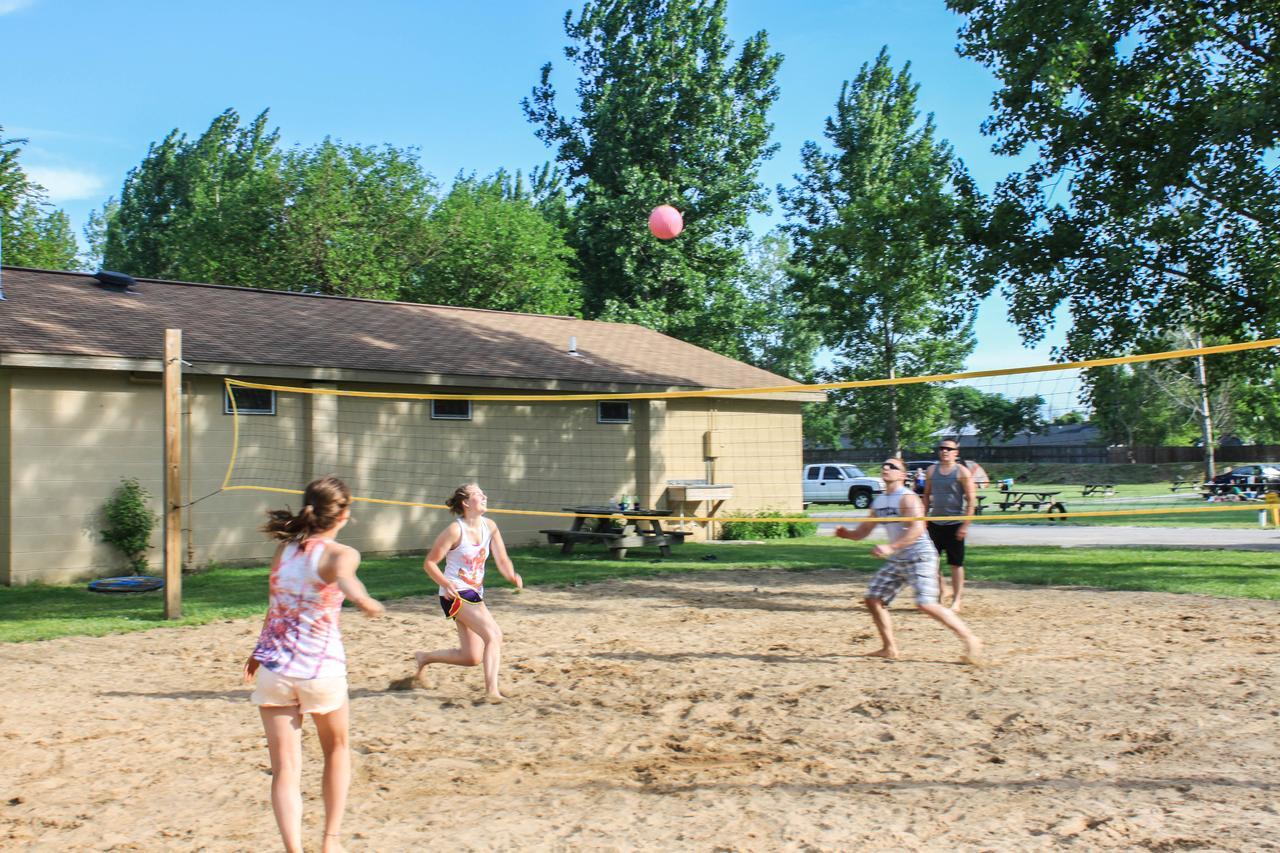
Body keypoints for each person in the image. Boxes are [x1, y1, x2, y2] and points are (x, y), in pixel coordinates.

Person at [244, 475, 385, 853]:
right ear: (343, 514)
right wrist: (364, 600)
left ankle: (294, 849)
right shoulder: (342, 553)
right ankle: (329, 842)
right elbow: (345, 578)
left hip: (276, 668)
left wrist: (259, 652)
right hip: (320, 670)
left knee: (285, 770)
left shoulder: (284, 551)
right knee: (337, 751)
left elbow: (276, 606)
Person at [835, 457, 982, 665]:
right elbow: (863, 532)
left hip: (919, 555)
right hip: (900, 557)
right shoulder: (879, 502)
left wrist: (890, 547)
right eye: (884, 465)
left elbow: (918, 529)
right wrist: (846, 534)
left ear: (903, 475)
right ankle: (889, 648)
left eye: (892, 466)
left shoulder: (907, 497)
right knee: (873, 599)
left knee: (926, 604)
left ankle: (970, 639)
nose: (886, 468)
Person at [412, 483, 523, 702]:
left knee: (471, 657)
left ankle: (424, 657)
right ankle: (491, 691)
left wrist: (511, 575)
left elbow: (502, 558)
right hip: (454, 593)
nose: (484, 496)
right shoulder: (455, 530)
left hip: (473, 593)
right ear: (465, 502)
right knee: (494, 635)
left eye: (483, 493)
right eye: (478, 494)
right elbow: (430, 563)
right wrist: (446, 583)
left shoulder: (489, 526)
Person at [922, 439, 978, 612]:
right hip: (935, 523)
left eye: (948, 449)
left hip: (955, 523)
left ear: (956, 453)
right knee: (932, 562)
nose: (944, 451)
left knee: (956, 564)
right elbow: (926, 496)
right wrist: (923, 519)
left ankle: (957, 600)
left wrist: (965, 526)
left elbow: (971, 500)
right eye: (942, 448)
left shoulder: (962, 472)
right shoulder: (931, 470)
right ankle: (941, 591)